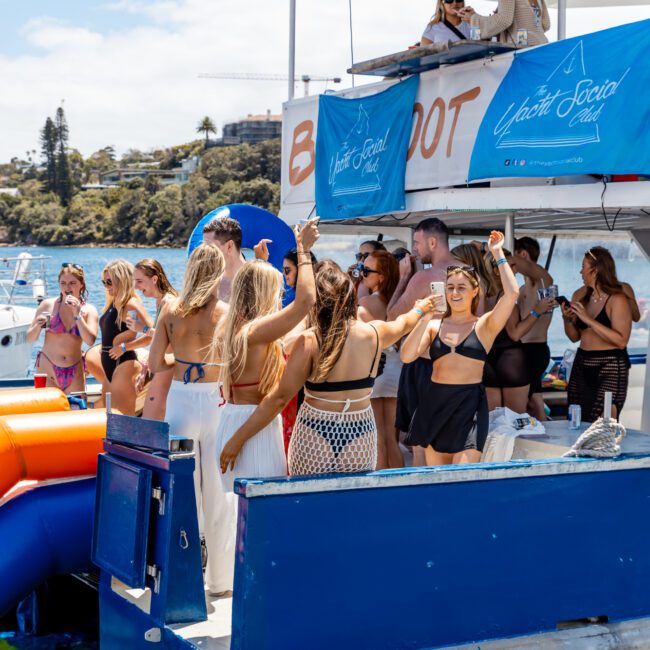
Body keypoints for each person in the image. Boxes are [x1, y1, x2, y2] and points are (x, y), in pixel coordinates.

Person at [220, 263, 439, 477]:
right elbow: (403, 322)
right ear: (350, 297)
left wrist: (237, 439)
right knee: (351, 504)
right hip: (360, 430)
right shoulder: (375, 333)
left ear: (318, 302)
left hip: (316, 430)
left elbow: (279, 398)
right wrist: (422, 308)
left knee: (308, 501)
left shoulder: (309, 342)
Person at [148, 244, 234, 597]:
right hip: (215, 400)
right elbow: (236, 360)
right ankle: (219, 581)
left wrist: (182, 362)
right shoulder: (226, 312)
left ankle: (184, 573)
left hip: (182, 399)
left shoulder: (170, 309)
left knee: (182, 490)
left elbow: (155, 364)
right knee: (217, 491)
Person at [216, 218, 320, 489]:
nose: (280, 294)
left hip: (235, 419)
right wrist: (303, 251)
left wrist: (260, 263)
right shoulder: (255, 333)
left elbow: (251, 281)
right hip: (252, 429)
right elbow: (306, 300)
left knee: (237, 515)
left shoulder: (231, 326)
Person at [400, 231, 519, 465]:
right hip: (434, 403)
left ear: (475, 291)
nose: (454, 293)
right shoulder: (434, 325)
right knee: (437, 481)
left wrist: (497, 254)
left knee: (462, 475)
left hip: (469, 406)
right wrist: (423, 316)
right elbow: (406, 356)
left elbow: (512, 293)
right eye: (450, 287)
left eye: (461, 288)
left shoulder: (484, 325)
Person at [387, 218, 459, 465]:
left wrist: (404, 277)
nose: (415, 249)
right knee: (454, 441)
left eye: (417, 243)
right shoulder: (472, 276)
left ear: (432, 241)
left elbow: (392, 317)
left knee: (420, 446)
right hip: (461, 367)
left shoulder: (423, 278)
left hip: (424, 366)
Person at [563, 247, 632, 422]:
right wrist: (567, 320)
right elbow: (574, 337)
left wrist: (588, 319)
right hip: (582, 363)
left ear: (596, 270)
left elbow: (621, 340)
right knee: (578, 420)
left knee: (604, 422)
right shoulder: (581, 296)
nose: (580, 271)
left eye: (583, 267)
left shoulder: (617, 299)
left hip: (609, 365)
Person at [482, 247, 554, 413]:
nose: (515, 270)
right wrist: (537, 310)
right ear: (497, 270)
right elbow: (514, 333)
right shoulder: (505, 297)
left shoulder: (482, 294)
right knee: (514, 421)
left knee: (493, 423)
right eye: (510, 266)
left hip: (487, 359)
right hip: (510, 359)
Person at [357, 250, 403, 469]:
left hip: (377, 367)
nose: (361, 274)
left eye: (366, 271)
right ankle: (399, 484)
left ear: (382, 276)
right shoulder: (397, 301)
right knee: (392, 439)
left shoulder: (366, 302)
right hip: (396, 367)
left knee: (376, 436)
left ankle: (381, 486)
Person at [27, 264, 98, 393]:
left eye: (72, 283)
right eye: (63, 283)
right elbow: (30, 338)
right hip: (47, 370)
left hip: (75, 371)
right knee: (47, 410)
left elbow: (90, 340)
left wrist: (77, 315)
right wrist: (37, 326)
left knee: (75, 411)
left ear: (81, 284)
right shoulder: (48, 305)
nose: (67, 287)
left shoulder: (89, 310)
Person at [88, 260, 147, 415]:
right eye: (104, 282)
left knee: (122, 421)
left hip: (124, 364)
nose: (106, 287)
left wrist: (124, 347)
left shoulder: (131, 304)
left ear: (122, 280)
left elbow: (154, 334)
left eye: (109, 282)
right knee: (108, 420)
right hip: (109, 365)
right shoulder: (114, 304)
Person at [126, 259, 178, 420]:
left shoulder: (169, 302)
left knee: (150, 419)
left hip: (167, 372)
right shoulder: (160, 301)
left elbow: (170, 339)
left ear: (154, 279)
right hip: (161, 368)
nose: (136, 287)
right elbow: (158, 342)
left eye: (140, 281)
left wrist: (142, 328)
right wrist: (145, 370)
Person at [513, 237, 555, 420]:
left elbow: (528, 269)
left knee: (532, 403)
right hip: (522, 350)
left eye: (511, 256)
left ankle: (543, 437)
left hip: (535, 350)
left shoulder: (544, 282)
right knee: (534, 401)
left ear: (522, 254)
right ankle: (543, 435)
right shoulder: (521, 290)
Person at [457, 0, 550, 48]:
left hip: (523, 51)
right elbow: (545, 24)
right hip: (542, 47)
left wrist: (473, 18)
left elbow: (503, 20)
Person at [203, 216, 245, 302]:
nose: (204, 252)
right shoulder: (207, 283)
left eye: (210, 247)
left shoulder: (257, 279)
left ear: (230, 246)